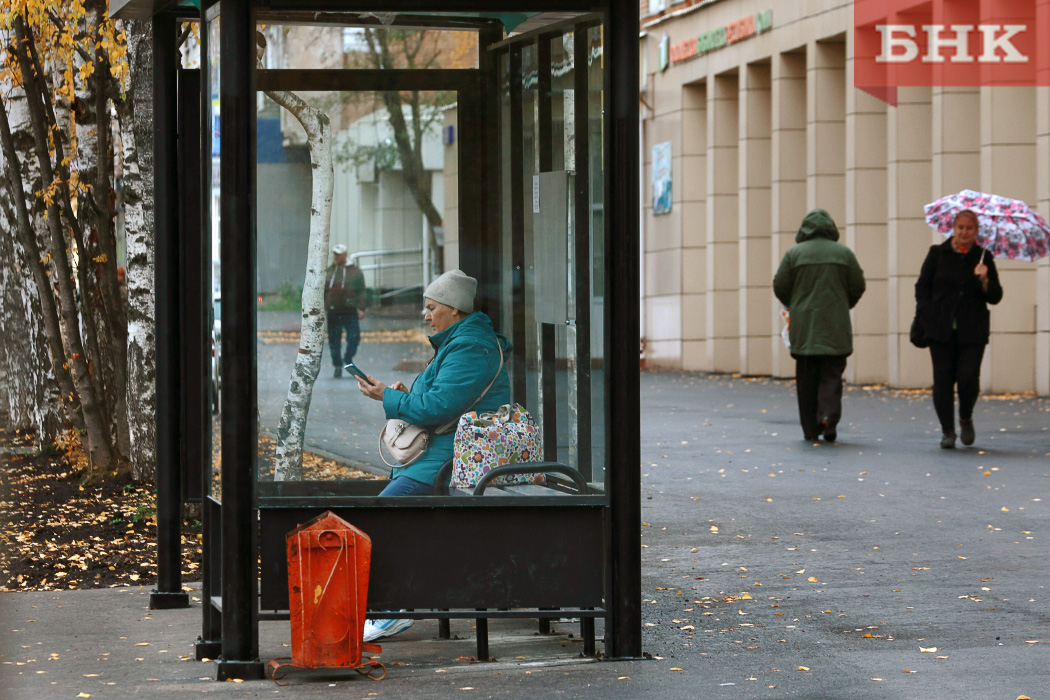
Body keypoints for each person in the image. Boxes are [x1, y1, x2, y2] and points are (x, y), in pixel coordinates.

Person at [355, 269, 511, 641]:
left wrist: (389, 398)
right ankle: (391, 608)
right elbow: (440, 401)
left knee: (381, 523)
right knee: (389, 523)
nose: (426, 315)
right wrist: (401, 394)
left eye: (431, 307)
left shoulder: (472, 347)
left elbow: (439, 406)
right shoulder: (458, 342)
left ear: (454, 310)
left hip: (448, 460)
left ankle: (392, 611)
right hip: (439, 455)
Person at [773, 209, 866, 443]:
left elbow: (780, 285)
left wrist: (793, 303)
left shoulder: (794, 254)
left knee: (806, 379)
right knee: (832, 375)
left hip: (804, 328)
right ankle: (828, 416)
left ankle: (810, 429)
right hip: (835, 326)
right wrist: (845, 304)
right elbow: (858, 285)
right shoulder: (844, 253)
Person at [915, 209, 1002, 449]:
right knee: (942, 380)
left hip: (972, 331)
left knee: (967, 378)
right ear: (953, 228)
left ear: (976, 231)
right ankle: (947, 431)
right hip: (940, 329)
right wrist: (928, 311)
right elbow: (922, 287)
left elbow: (995, 297)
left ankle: (965, 417)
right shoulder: (937, 253)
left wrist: (985, 280)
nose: (964, 232)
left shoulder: (983, 257)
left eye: (969, 228)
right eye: (960, 227)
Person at [325, 244, 367, 378]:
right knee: (334, 339)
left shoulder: (355, 272)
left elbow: (362, 291)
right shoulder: (330, 271)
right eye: (334, 254)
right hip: (333, 310)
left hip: (350, 310)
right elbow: (323, 290)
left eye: (338, 254)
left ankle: (348, 358)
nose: (335, 257)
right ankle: (337, 364)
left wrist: (361, 308)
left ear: (345, 255)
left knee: (354, 337)